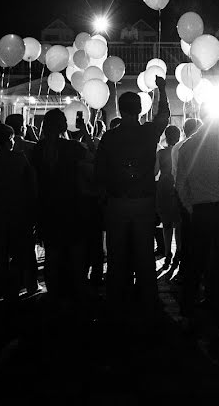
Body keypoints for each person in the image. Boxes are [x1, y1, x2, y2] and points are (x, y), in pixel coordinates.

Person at [94, 75, 169, 325]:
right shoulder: (148, 133)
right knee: (144, 253)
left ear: (120, 110)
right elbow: (163, 118)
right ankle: (148, 300)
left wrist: (105, 199)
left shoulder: (109, 138)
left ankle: (118, 298)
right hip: (144, 201)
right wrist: (162, 89)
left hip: (117, 201)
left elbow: (100, 173)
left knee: (117, 253)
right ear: (139, 110)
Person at [175, 105, 219, 337]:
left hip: (199, 211)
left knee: (194, 264)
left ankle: (187, 314)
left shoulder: (187, 146)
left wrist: (192, 209)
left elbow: (180, 184)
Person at [32, 108, 94, 309]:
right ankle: (78, 289)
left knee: (52, 252)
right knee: (76, 251)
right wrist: (86, 131)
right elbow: (93, 156)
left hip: (47, 206)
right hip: (72, 204)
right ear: (62, 125)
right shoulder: (73, 148)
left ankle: (54, 292)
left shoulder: (38, 149)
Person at [0, 124, 38, 302]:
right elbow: (31, 185)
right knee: (24, 252)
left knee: (0, 254)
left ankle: (0, 286)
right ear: (8, 141)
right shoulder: (19, 159)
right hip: (18, 211)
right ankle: (27, 285)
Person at [170, 117, 202, 282]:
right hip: (194, 192)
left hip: (179, 190)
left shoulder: (177, 147)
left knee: (182, 228)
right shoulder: (196, 146)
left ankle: (184, 260)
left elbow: (175, 172)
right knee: (194, 231)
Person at [155, 125, 182, 269]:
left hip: (164, 186)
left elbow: (154, 172)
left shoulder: (161, 153)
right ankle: (178, 252)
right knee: (178, 223)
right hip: (177, 185)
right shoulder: (181, 151)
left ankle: (167, 254)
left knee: (166, 225)